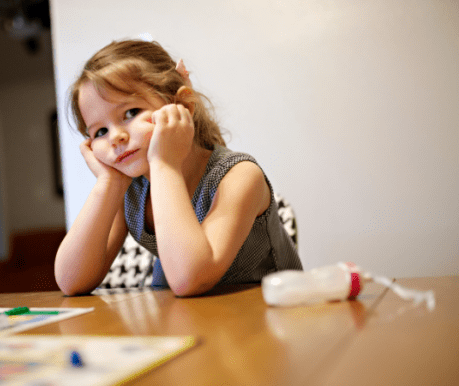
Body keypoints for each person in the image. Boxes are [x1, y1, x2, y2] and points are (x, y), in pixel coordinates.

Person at [55, 40, 302, 297]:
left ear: (182, 107)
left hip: (267, 318)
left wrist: (164, 165)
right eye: (100, 131)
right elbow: (71, 281)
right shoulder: (129, 188)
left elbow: (189, 278)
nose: (116, 137)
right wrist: (108, 184)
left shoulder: (240, 176)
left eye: (130, 113)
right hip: (189, 321)